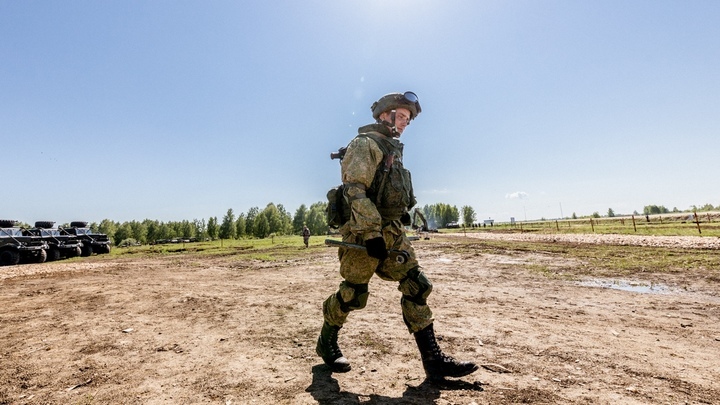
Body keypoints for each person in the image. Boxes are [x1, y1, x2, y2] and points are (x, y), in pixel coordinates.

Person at [316, 91, 478, 382]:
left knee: (417, 285)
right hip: (363, 234)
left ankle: (433, 361)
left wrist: (400, 215)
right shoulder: (365, 145)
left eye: (407, 119)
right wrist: (371, 233)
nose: (404, 123)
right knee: (353, 294)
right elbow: (355, 190)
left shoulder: (393, 150)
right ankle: (326, 342)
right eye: (400, 116)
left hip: (392, 232)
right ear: (384, 115)